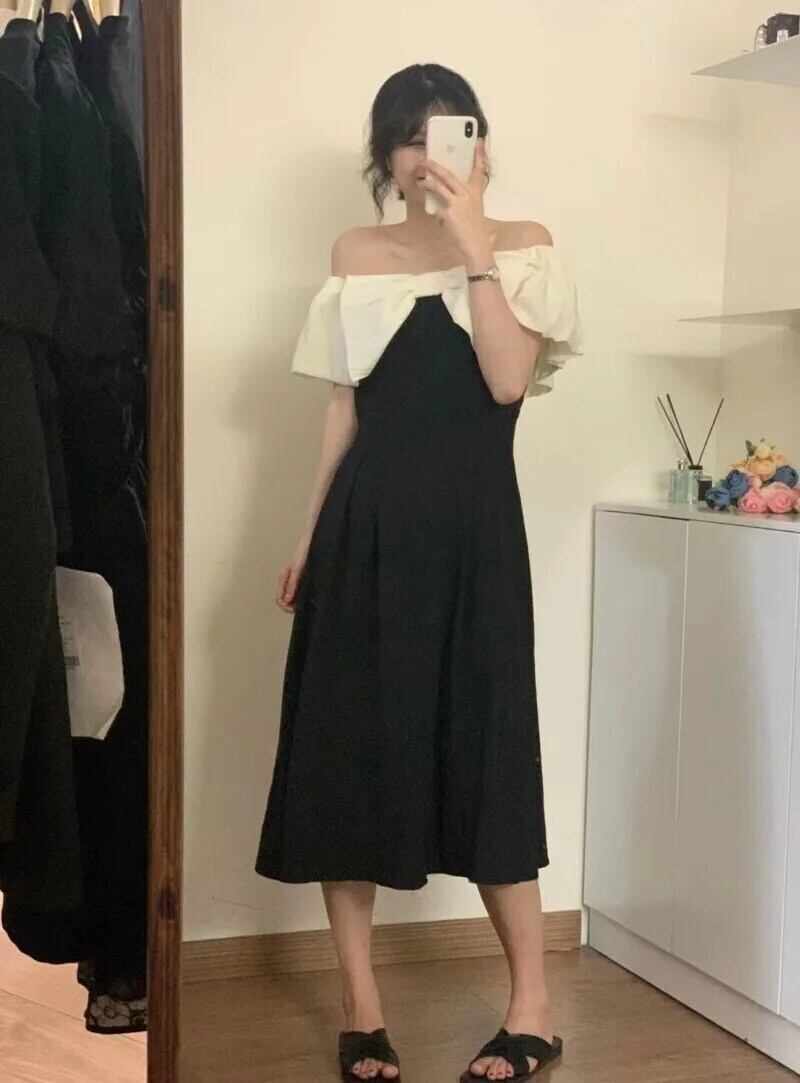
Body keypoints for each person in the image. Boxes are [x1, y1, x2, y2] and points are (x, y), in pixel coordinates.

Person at [255, 62, 583, 1082]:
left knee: (486, 752)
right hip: (365, 529)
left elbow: (505, 380)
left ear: (475, 146)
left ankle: (531, 1007)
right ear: (383, 153)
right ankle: (362, 1008)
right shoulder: (355, 254)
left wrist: (474, 241)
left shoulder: (522, 246)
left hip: (476, 536)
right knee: (349, 755)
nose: (423, 155)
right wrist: (308, 532)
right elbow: (344, 407)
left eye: (444, 133)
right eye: (406, 136)